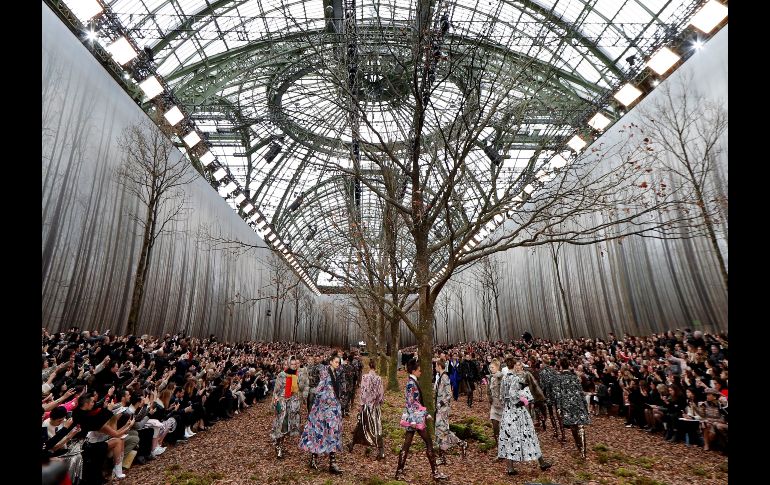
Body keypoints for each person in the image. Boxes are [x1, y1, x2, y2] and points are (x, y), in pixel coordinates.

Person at [394, 358, 448, 481]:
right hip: (415, 419)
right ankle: (435, 473)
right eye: (419, 370)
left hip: (416, 417)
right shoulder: (411, 383)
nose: (421, 372)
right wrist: (413, 420)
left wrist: (425, 413)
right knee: (428, 443)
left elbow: (417, 402)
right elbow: (410, 403)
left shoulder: (412, 382)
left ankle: (399, 472)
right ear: (414, 370)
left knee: (406, 445)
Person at [497, 357, 551, 475]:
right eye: (517, 365)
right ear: (514, 366)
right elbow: (524, 396)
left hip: (508, 411)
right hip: (518, 411)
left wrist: (509, 403)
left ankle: (510, 468)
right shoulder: (517, 379)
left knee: (510, 437)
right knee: (529, 434)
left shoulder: (504, 379)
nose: (519, 367)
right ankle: (541, 463)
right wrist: (523, 401)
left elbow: (501, 396)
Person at [299, 354, 344, 474]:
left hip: (333, 410)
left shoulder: (336, 374)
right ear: (330, 362)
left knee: (332, 434)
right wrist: (325, 401)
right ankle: (314, 459)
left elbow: (337, 390)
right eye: (335, 362)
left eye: (339, 362)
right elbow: (320, 389)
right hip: (323, 409)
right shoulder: (325, 372)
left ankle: (332, 463)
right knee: (319, 433)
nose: (337, 364)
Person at [554, 358, 591, 459]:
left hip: (567, 404)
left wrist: (558, 407)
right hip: (578, 402)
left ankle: (580, 447)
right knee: (580, 426)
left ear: (560, 365)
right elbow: (581, 391)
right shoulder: (575, 376)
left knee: (573, 426)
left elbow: (557, 394)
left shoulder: (558, 378)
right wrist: (585, 405)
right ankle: (583, 451)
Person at [348, 358, 385, 459]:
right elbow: (381, 394)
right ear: (376, 367)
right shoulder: (379, 379)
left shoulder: (365, 377)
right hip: (375, 406)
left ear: (369, 366)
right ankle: (381, 450)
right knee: (376, 427)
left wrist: (361, 405)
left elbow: (363, 393)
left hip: (366, 406)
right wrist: (378, 403)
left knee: (362, 425)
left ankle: (353, 443)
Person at [433, 359, 467, 465]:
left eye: (435, 366)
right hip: (439, 409)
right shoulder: (440, 377)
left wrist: (440, 405)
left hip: (443, 409)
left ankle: (444, 455)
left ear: (439, 366)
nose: (434, 367)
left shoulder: (445, 377)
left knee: (442, 432)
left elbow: (448, 394)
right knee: (442, 432)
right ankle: (460, 444)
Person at [271, 357, 306, 459]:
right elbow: (276, 391)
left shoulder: (297, 375)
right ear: (288, 364)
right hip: (282, 403)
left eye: (296, 364)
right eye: (292, 364)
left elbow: (299, 390)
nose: (294, 366)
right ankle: (278, 446)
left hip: (292, 404)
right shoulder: (282, 375)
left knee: (287, 426)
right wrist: (276, 403)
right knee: (280, 424)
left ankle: (280, 444)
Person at [487, 358, 504, 446]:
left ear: (497, 367)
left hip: (501, 404)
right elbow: (489, 391)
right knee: (494, 423)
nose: (491, 369)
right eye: (490, 368)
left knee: (502, 425)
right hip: (494, 403)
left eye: (492, 367)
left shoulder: (501, 377)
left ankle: (503, 443)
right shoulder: (491, 377)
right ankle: (497, 444)